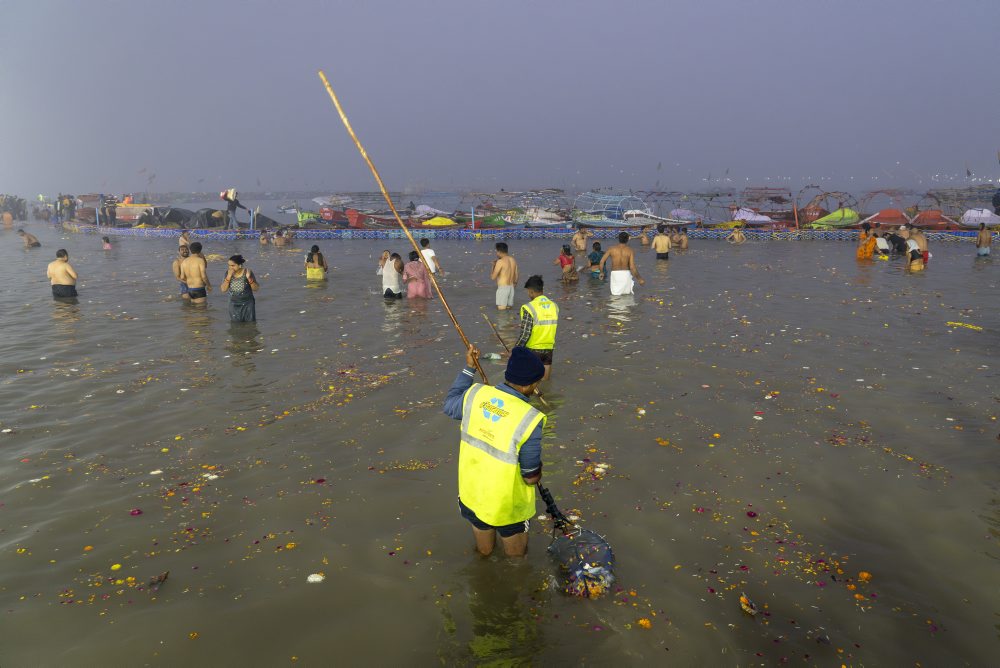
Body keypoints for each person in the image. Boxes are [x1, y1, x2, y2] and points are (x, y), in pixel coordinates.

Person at [442, 345, 546, 557]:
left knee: (484, 553)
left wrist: (468, 368)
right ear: (530, 385)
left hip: (473, 496)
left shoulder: (476, 394)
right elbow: (530, 476)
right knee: (517, 561)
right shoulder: (530, 418)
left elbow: (449, 405)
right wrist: (538, 473)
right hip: (507, 506)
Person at [514, 275, 558, 381]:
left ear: (531, 291)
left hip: (533, 349)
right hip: (549, 347)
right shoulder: (554, 305)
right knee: (545, 382)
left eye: (528, 292)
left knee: (531, 382)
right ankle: (545, 395)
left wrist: (516, 349)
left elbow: (525, 333)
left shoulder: (529, 307)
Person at [220, 255, 258, 321]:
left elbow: (256, 289)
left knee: (250, 325)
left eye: (233, 265)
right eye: (229, 265)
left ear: (240, 265)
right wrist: (229, 276)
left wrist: (249, 278)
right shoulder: (227, 273)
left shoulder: (247, 272)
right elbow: (223, 290)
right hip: (233, 304)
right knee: (235, 326)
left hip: (248, 304)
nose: (230, 268)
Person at [490, 242, 519, 310]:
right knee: (509, 310)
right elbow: (517, 275)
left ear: (499, 251)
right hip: (511, 288)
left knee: (501, 313)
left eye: (496, 251)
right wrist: (514, 285)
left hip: (503, 288)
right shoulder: (513, 260)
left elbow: (493, 277)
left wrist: (493, 266)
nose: (496, 253)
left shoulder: (500, 262)